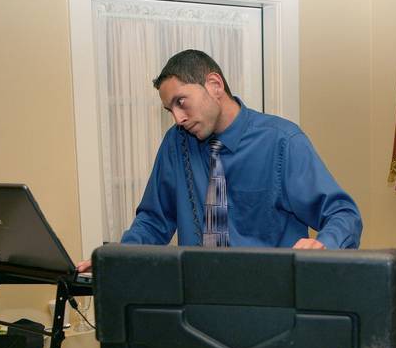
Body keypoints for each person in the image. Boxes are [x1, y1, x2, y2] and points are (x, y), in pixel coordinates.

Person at [78, 49, 361, 271]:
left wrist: (324, 244)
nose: (178, 118)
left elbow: (343, 214)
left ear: (214, 84)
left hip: (270, 305)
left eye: (181, 102)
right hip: (199, 305)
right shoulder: (176, 144)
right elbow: (154, 220)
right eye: (170, 110)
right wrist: (116, 258)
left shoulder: (282, 142)